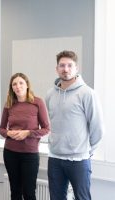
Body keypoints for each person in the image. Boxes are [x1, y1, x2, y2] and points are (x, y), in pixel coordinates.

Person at [45, 50, 104, 200]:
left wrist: (87, 151)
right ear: (56, 69)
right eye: (62, 65)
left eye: (70, 65)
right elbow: (50, 123)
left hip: (79, 160)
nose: (66, 69)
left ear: (76, 68)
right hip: (55, 158)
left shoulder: (87, 93)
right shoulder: (50, 94)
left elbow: (97, 127)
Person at [0, 73, 50, 200]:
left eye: (21, 83)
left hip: (30, 155)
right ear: (12, 87)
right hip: (10, 153)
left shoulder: (37, 102)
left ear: (27, 85)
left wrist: (28, 133)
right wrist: (8, 133)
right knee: (15, 192)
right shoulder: (9, 104)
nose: (18, 86)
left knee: (29, 193)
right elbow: (1, 129)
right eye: (14, 84)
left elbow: (46, 129)